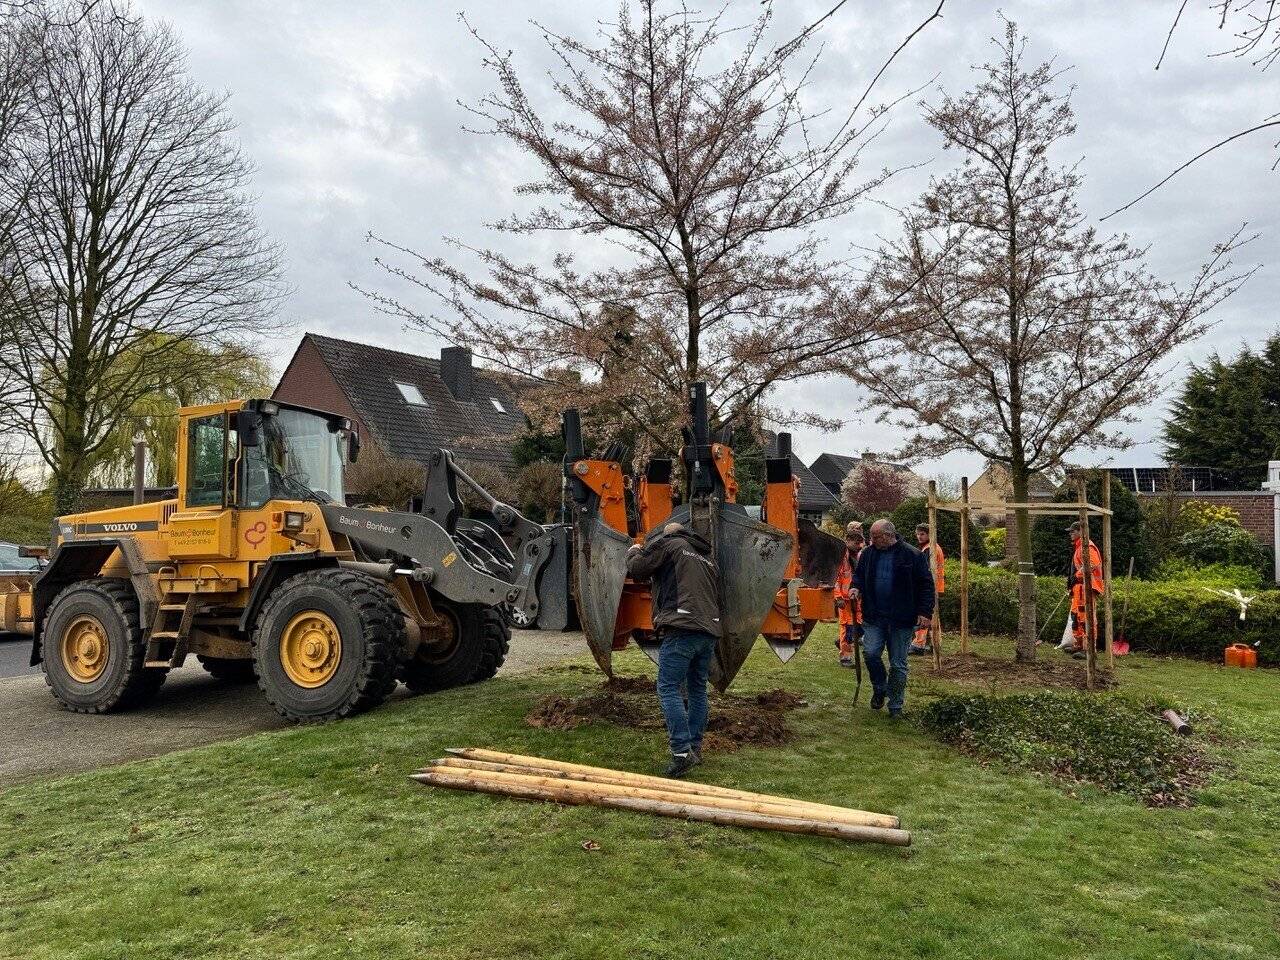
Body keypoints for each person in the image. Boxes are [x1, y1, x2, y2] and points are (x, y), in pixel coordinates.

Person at [626, 521, 722, 777]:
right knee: (698, 689)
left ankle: (681, 752)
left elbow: (638, 569)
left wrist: (634, 550)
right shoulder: (707, 557)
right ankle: (695, 748)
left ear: (668, 534)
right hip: (708, 631)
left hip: (682, 628)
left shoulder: (670, 544)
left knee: (668, 687)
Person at [851, 519, 936, 717]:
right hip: (874, 616)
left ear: (889, 536)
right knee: (871, 653)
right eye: (871, 537)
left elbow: (926, 585)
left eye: (875, 537)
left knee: (898, 664)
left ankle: (895, 705)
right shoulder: (868, 554)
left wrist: (925, 612)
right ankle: (880, 687)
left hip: (901, 619)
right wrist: (855, 587)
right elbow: (859, 576)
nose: (871, 540)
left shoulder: (912, 555)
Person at [1059, 520, 1104, 658]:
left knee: (1086, 618)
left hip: (1087, 587)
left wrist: (1076, 576)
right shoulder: (1079, 547)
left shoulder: (1087, 547)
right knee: (1076, 617)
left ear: (1081, 532)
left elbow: (1092, 564)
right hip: (1079, 588)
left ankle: (1089, 649)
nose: (1070, 534)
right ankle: (1079, 645)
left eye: (1073, 531)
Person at [910, 523, 945, 656]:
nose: (919, 537)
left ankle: (918, 644)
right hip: (936, 586)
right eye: (918, 534)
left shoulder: (928, 549)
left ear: (930, 534)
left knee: (922, 613)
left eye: (922, 534)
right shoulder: (935, 547)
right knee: (934, 615)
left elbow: (924, 571)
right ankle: (936, 642)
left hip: (929, 587)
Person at [834, 530, 865, 667]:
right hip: (845, 600)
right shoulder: (841, 557)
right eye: (856, 543)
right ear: (847, 541)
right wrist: (838, 597)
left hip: (858, 598)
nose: (859, 546)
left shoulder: (860, 556)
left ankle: (841, 642)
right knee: (848, 628)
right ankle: (845, 657)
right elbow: (835, 578)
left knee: (861, 627)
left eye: (861, 543)